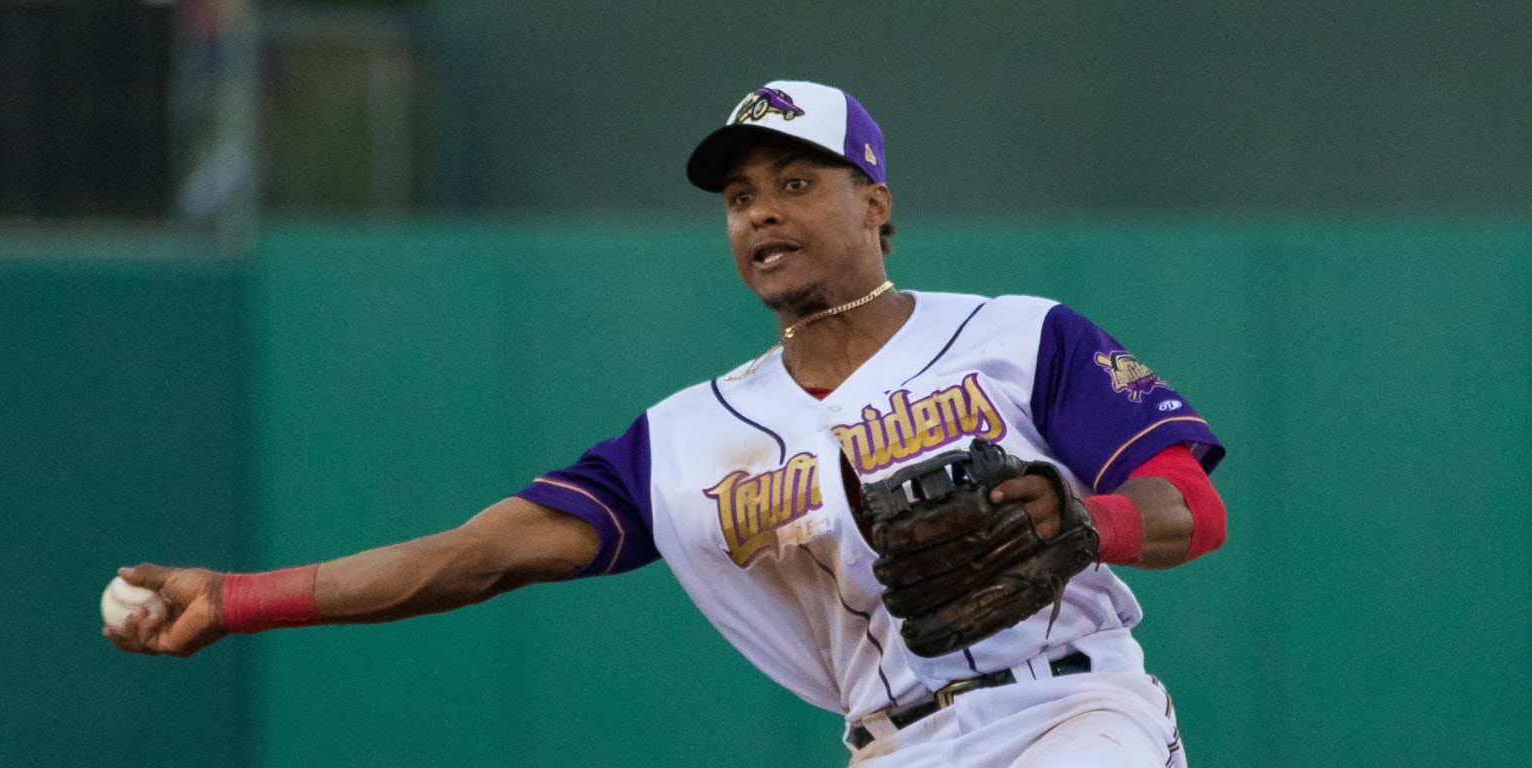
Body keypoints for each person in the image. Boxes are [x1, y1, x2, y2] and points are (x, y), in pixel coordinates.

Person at [106, 80, 1227, 767]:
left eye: (797, 182)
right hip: (902, 741)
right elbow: (475, 559)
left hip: (1078, 713)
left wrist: (1091, 518)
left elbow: (1194, 505)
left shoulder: (1018, 336)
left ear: (877, 203)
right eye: (741, 199)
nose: (764, 214)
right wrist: (240, 599)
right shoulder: (694, 437)